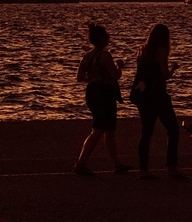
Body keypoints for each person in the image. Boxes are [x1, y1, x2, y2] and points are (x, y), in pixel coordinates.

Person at [73, 23, 131, 176]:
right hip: (104, 93)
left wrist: (93, 77)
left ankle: (117, 164)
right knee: (99, 129)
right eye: (107, 36)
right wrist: (120, 66)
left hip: (92, 91)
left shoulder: (87, 56)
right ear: (103, 39)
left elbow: (79, 77)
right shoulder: (105, 55)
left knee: (109, 129)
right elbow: (116, 76)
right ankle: (81, 163)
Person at [132, 23, 183, 180]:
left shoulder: (142, 51)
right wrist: (174, 69)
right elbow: (164, 75)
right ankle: (171, 168)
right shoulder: (162, 51)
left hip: (144, 97)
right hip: (158, 96)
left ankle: (143, 169)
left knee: (146, 132)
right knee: (173, 129)